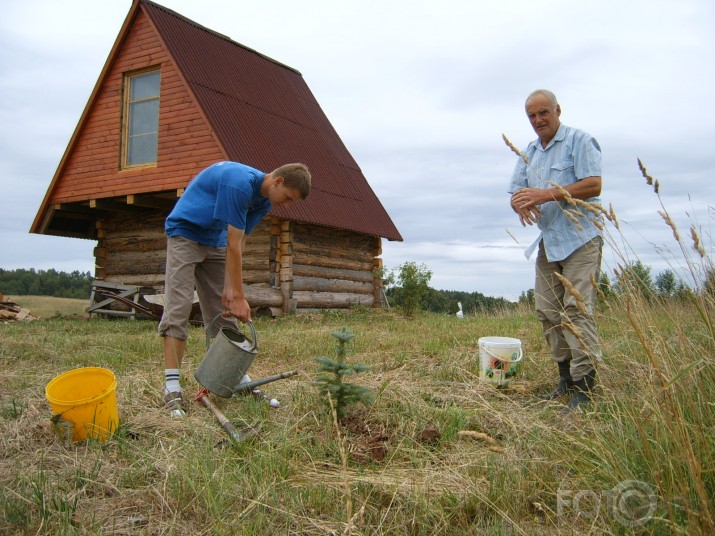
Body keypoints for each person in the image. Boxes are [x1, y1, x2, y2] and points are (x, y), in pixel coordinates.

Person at [159, 161, 311, 416]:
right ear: (278, 181)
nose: (286, 204)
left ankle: (237, 380)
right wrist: (239, 296)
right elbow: (232, 241)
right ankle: (171, 387)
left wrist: (231, 291)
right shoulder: (238, 183)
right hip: (184, 233)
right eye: (287, 197)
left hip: (215, 241)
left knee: (225, 313)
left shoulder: (263, 202)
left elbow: (238, 244)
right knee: (179, 307)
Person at [508, 89, 603, 412]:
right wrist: (519, 203)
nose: (538, 121)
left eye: (543, 113)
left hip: (581, 238)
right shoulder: (529, 153)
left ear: (558, 110)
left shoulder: (579, 141)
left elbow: (594, 185)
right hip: (550, 242)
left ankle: (585, 389)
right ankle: (564, 381)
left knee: (576, 309)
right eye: (532, 116)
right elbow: (516, 192)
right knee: (548, 310)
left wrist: (544, 195)